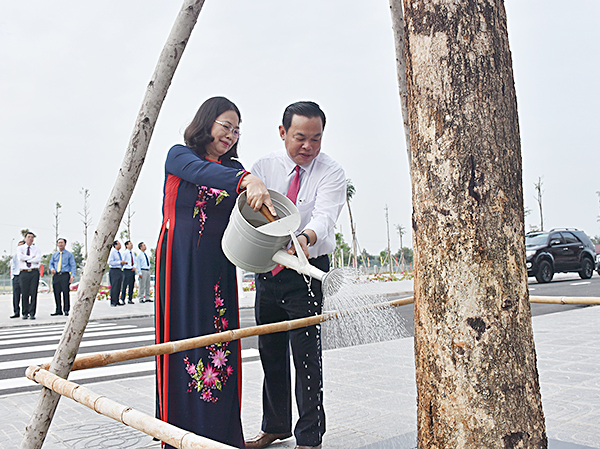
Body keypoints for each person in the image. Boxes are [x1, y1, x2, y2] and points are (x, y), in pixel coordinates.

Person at [155, 96, 274, 449]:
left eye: (237, 130)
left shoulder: (235, 167)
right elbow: (205, 173)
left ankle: (221, 436)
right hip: (179, 265)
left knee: (220, 344)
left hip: (219, 271)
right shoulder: (180, 155)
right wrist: (247, 179)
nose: (232, 134)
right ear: (207, 122)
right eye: (226, 125)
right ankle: (178, 436)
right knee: (181, 345)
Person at [246, 101, 346, 449]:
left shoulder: (331, 172)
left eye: (316, 139)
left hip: (306, 270)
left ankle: (309, 437)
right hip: (268, 270)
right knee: (270, 350)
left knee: (306, 356)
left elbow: (325, 216)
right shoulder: (264, 167)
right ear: (282, 132)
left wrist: (304, 238)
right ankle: (274, 426)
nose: (308, 146)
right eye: (300, 137)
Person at [17, 231, 43, 320]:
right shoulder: (20, 248)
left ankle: (32, 313)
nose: (30, 239)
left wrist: (27, 259)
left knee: (33, 293)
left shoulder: (37, 249)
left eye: (32, 237)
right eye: (28, 237)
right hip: (24, 272)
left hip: (34, 272)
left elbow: (38, 259)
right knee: (24, 293)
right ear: (25, 238)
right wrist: (31, 258)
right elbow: (20, 258)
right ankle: (25, 312)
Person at [49, 238, 77, 316]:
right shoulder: (54, 254)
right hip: (56, 275)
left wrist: (72, 276)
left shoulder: (69, 254)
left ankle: (66, 310)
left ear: (65, 244)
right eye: (59, 243)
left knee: (65, 292)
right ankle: (58, 310)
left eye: (62, 243)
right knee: (56, 293)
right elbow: (50, 264)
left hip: (65, 275)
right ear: (57, 244)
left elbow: (73, 265)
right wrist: (52, 269)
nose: (60, 244)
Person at [108, 240, 126, 307]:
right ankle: (113, 301)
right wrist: (119, 262)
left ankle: (117, 300)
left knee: (118, 286)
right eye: (119, 244)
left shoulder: (119, 253)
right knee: (114, 286)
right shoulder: (113, 252)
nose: (120, 245)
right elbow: (110, 262)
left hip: (119, 270)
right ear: (115, 245)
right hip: (114, 270)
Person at [10, 240, 25, 318]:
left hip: (24, 275)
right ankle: (16, 312)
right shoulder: (15, 256)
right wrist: (13, 276)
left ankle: (25, 312)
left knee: (25, 295)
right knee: (16, 295)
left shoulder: (27, 255)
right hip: (16, 276)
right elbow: (12, 266)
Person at [120, 240, 136, 304]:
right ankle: (122, 299)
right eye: (130, 244)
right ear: (126, 245)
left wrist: (134, 266)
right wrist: (127, 265)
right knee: (125, 285)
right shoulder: (125, 253)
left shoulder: (132, 253)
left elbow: (134, 261)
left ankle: (130, 299)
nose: (131, 245)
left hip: (132, 270)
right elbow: (123, 261)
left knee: (131, 285)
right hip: (127, 270)